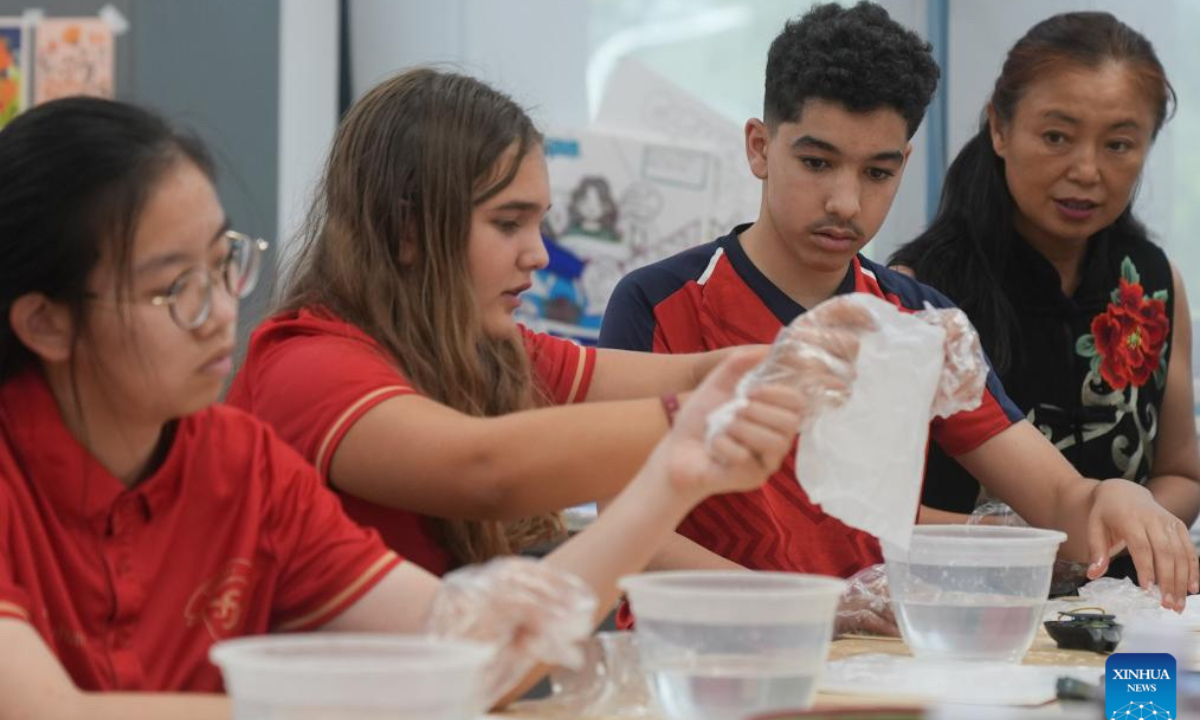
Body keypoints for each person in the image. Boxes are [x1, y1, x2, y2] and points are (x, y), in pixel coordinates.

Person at [0, 96, 833, 719]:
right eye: (174, 287)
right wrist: (682, 429)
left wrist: (683, 471)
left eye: (224, 264)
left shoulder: (239, 465)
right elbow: (484, 471)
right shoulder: (305, 363)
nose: (221, 309)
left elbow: (469, 655)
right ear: (44, 322)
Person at [600, 1, 1197, 610]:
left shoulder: (918, 322)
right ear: (759, 146)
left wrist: (1112, 500)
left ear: (904, 165)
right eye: (816, 162)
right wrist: (817, 609)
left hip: (867, 674)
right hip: (690, 661)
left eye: (877, 173)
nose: (845, 202)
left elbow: (1061, 498)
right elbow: (626, 531)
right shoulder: (658, 303)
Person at [227, 68, 850, 576]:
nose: (539, 254)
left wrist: (787, 362)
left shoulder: (481, 347)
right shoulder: (305, 362)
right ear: (407, 227)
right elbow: (482, 471)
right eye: (507, 223)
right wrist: (699, 424)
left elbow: (689, 371)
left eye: (539, 223)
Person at [890, 11, 1200, 582]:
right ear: (1000, 129)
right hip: (966, 604)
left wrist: (1136, 528)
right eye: (1057, 136)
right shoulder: (917, 292)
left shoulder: (1155, 284)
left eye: (1119, 144)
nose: (1086, 170)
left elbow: (1183, 475)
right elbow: (872, 515)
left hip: (1125, 608)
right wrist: (1029, 541)